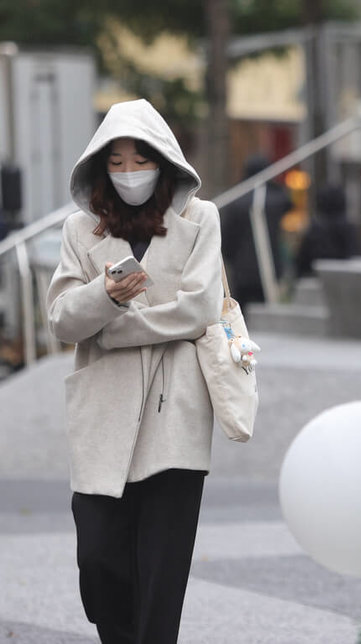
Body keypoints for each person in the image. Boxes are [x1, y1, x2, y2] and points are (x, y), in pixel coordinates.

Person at [46, 98, 223, 644]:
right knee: (99, 566)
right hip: (104, 418)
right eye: (116, 162)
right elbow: (61, 319)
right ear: (100, 167)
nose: (128, 173)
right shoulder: (81, 231)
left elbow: (200, 309)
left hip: (176, 421)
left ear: (164, 160)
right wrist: (104, 294)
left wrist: (113, 327)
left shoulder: (200, 218)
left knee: (161, 581)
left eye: (139, 159)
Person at [220, 154, 292, 307]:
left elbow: (227, 240)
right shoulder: (276, 199)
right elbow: (288, 203)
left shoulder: (237, 200)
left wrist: (231, 258)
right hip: (270, 268)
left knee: (242, 316)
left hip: (242, 270)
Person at [294, 184, 361, 278]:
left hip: (316, 281)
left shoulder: (315, 230)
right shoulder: (348, 229)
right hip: (344, 281)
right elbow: (355, 257)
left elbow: (301, 261)